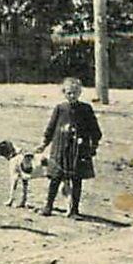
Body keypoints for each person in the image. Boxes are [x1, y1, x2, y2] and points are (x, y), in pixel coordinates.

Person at [39, 76, 102, 218]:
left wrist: (93, 146)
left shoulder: (86, 109)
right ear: (64, 93)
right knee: (55, 178)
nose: (72, 96)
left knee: (76, 180)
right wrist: (44, 143)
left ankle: (74, 210)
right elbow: (51, 128)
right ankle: (48, 206)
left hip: (79, 151)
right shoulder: (60, 109)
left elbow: (95, 130)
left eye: (75, 92)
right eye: (69, 93)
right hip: (60, 149)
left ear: (80, 93)